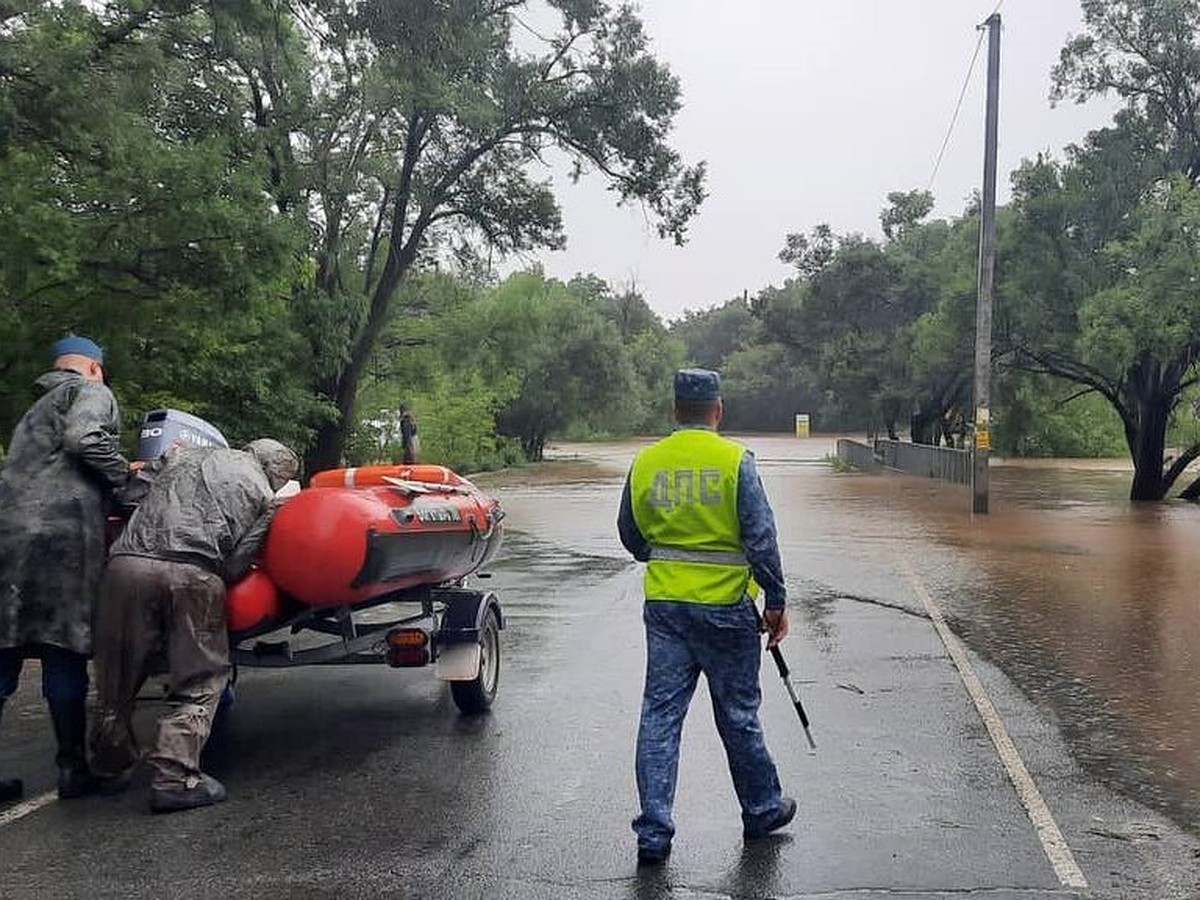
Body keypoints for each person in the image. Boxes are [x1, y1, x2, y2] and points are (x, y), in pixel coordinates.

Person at [617, 368, 795, 865]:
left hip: (667, 610)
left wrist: (666, 557)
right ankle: (761, 809)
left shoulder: (647, 462)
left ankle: (654, 831)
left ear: (675, 411)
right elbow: (761, 538)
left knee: (660, 716)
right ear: (718, 410)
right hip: (725, 611)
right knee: (738, 714)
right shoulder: (736, 461)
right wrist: (775, 601)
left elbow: (630, 535)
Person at [89, 438, 299, 814]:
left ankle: (108, 765)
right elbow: (234, 566)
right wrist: (270, 515)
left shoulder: (183, 456)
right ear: (276, 472)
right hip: (191, 574)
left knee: (116, 677)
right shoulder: (260, 491)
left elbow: (131, 493)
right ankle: (175, 777)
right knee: (199, 678)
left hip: (125, 566)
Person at [0, 335, 135, 803]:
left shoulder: (32, 413)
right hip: (61, 539)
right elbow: (85, 439)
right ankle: (72, 768)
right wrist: (128, 480)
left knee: (5, 649)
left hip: (8, 537)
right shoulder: (89, 392)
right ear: (94, 368)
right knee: (63, 648)